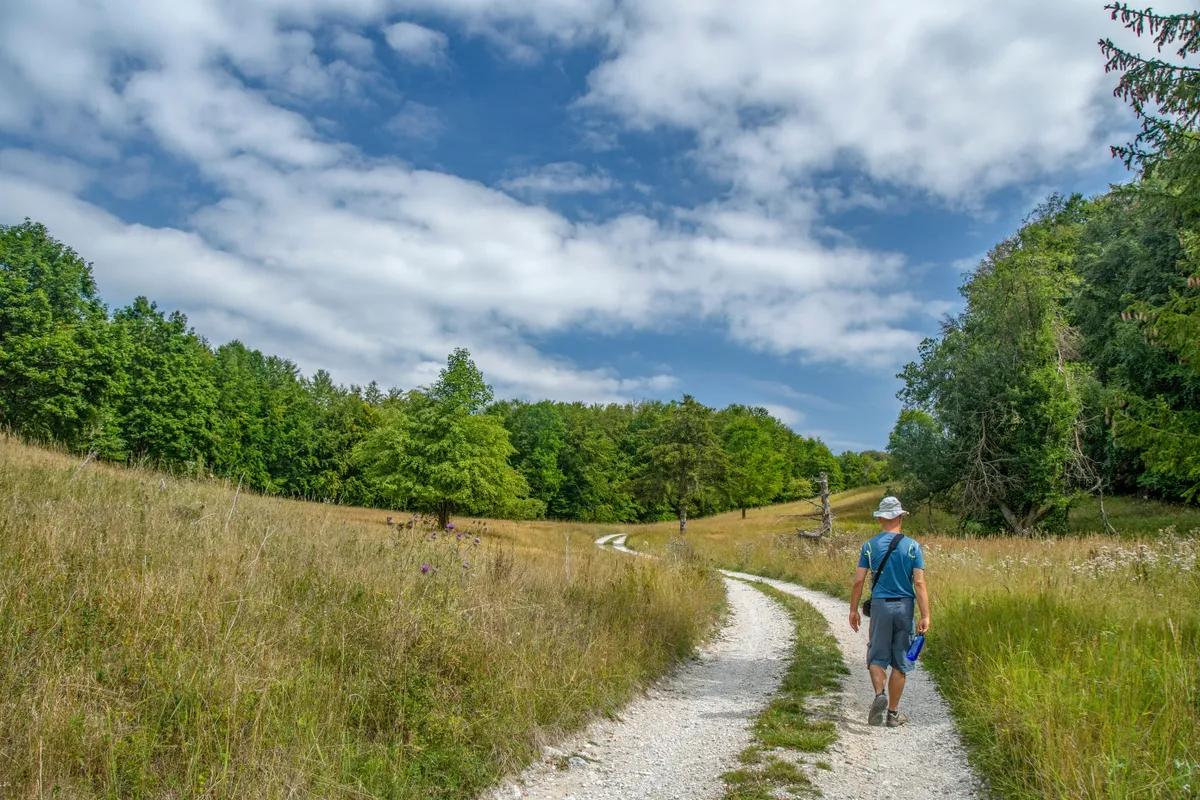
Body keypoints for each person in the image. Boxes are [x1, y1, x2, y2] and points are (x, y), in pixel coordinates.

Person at [848, 496, 930, 728]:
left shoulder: (870, 546)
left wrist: (853, 610)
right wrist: (925, 615)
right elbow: (920, 584)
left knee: (876, 655)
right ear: (901, 517)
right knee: (900, 661)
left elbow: (858, 581)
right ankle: (893, 713)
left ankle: (878, 695)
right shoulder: (913, 547)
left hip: (880, 606)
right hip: (905, 607)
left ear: (881, 518)